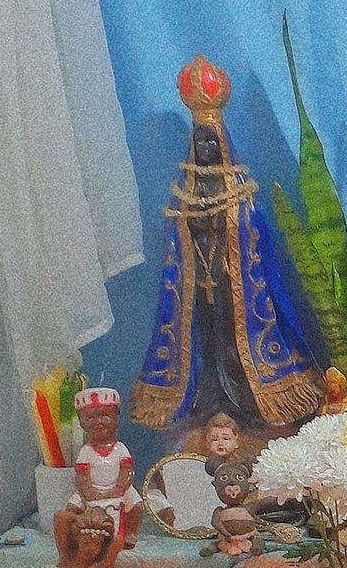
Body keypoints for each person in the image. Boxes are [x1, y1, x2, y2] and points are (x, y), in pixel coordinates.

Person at [130, 54, 322, 430]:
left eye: (210, 142)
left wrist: (229, 238)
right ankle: (207, 397)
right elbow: (177, 242)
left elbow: (254, 233)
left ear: (220, 144)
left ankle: (243, 398)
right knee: (207, 342)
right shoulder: (184, 194)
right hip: (201, 286)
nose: (205, 150)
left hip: (235, 285)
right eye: (199, 142)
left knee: (234, 343)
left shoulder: (239, 194)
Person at [60, 387, 143, 547]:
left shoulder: (120, 449)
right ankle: (75, 535)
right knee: (71, 509)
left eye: (106, 416)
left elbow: (126, 471)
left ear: (116, 419)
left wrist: (120, 487)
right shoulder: (86, 452)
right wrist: (88, 491)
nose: (99, 422)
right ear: (81, 422)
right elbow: (81, 476)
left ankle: (130, 533)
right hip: (91, 490)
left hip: (119, 489)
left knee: (137, 506)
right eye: (91, 417)